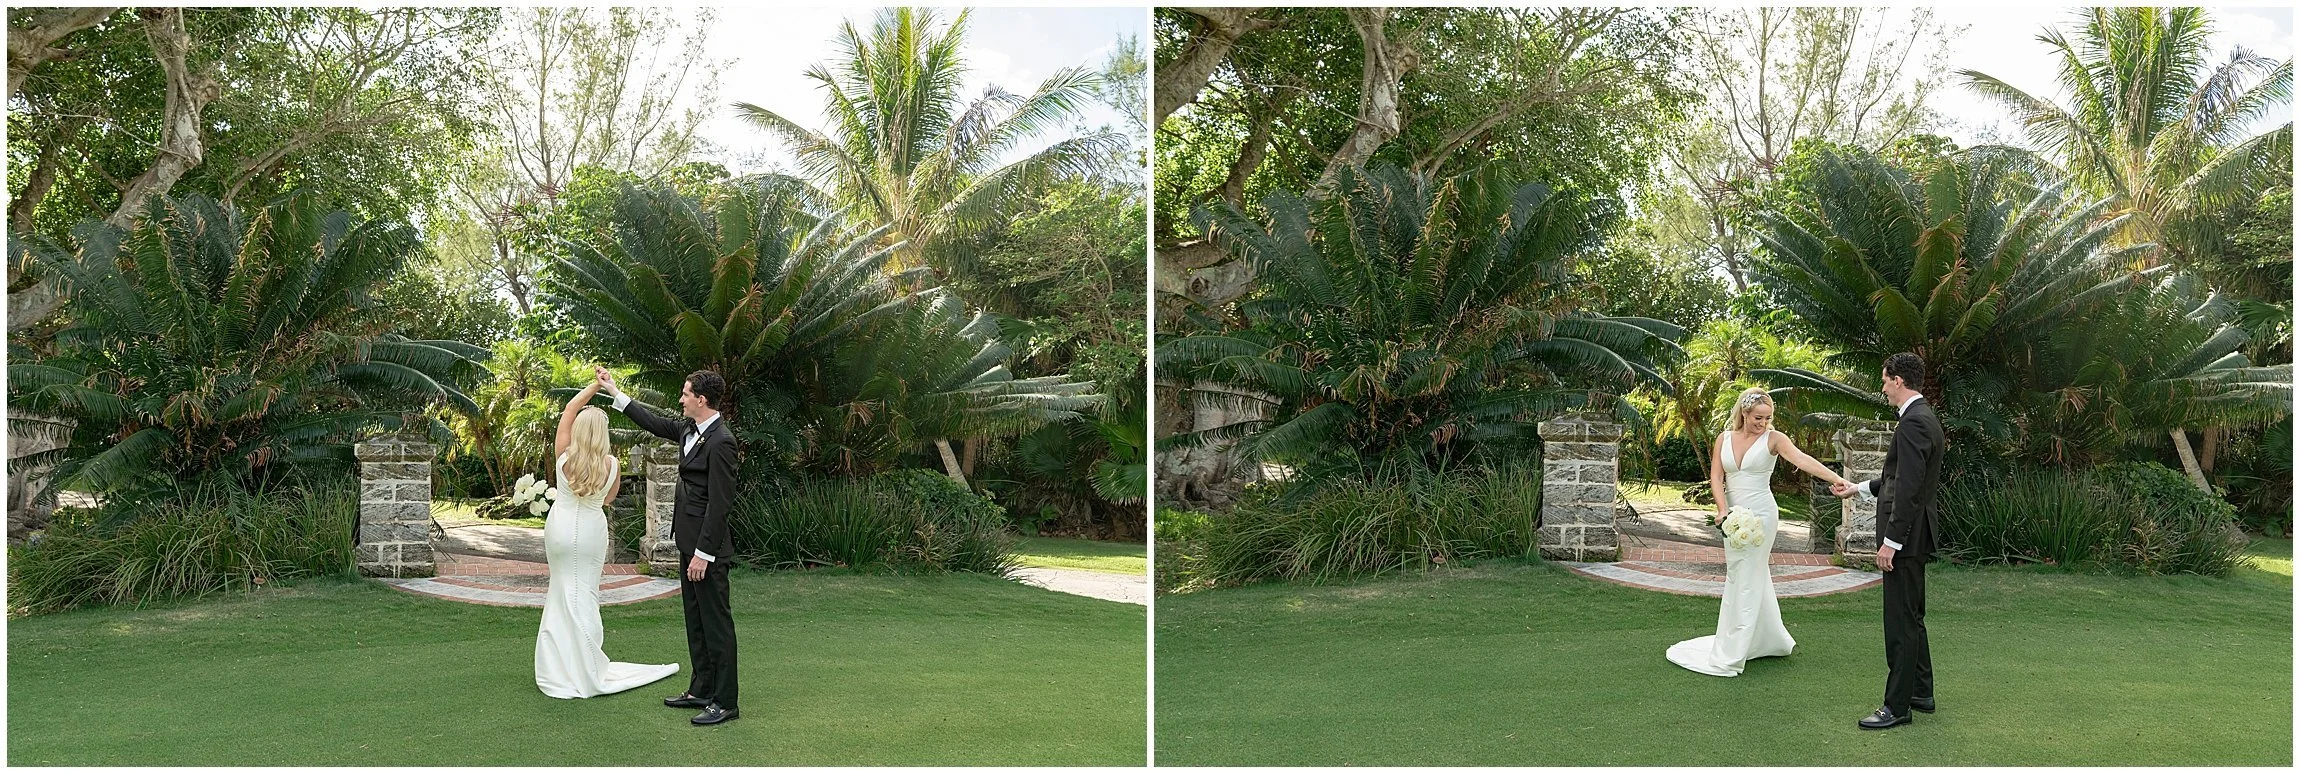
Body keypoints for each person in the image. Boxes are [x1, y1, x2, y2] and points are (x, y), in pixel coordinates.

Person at [534, 375, 679, 699]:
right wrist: (608, 387)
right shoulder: (612, 465)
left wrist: (595, 386)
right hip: (590, 530)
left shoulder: (563, 457)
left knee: (560, 590)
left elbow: (570, 409)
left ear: (579, 430)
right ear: (603, 434)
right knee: (586, 592)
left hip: (560, 529)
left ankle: (557, 665)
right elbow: (609, 499)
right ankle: (586, 662)